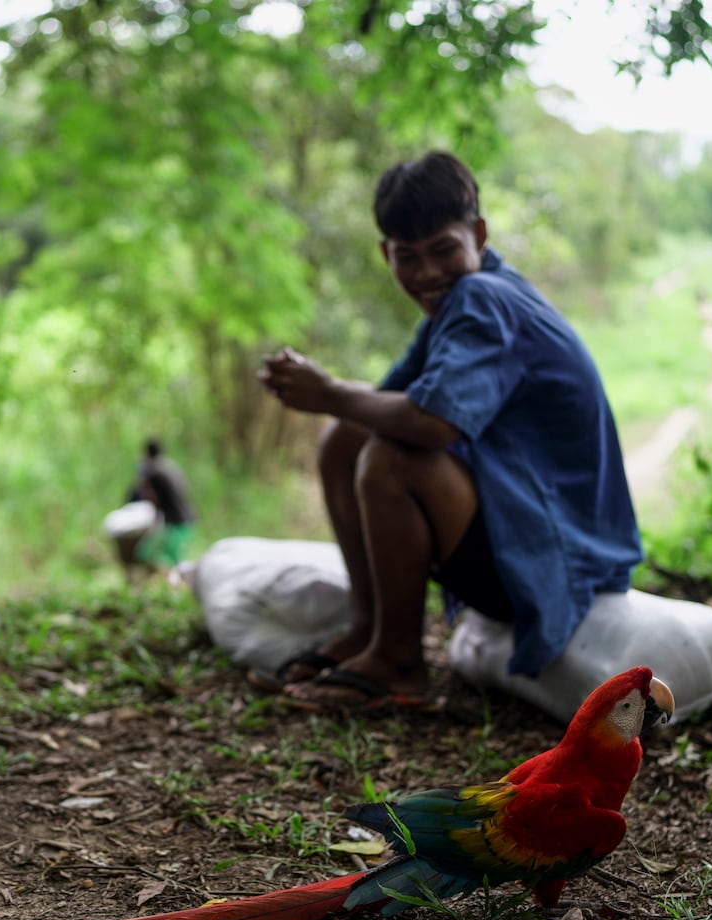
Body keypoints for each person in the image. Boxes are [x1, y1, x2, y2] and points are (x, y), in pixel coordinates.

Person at [256, 150, 642, 711]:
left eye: (443, 250)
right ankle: (369, 631)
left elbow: (432, 424)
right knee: (348, 435)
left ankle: (397, 660)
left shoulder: (484, 298)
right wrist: (331, 395)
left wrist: (330, 391)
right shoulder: (459, 301)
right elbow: (384, 403)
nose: (427, 273)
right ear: (386, 254)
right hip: (528, 534)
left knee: (392, 456)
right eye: (407, 257)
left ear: (478, 235)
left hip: (560, 561)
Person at [129, 439, 198, 573]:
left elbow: (152, 497)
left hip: (175, 522)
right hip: (187, 519)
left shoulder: (154, 471)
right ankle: (164, 584)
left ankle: (169, 585)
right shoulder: (172, 467)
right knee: (164, 556)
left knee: (150, 554)